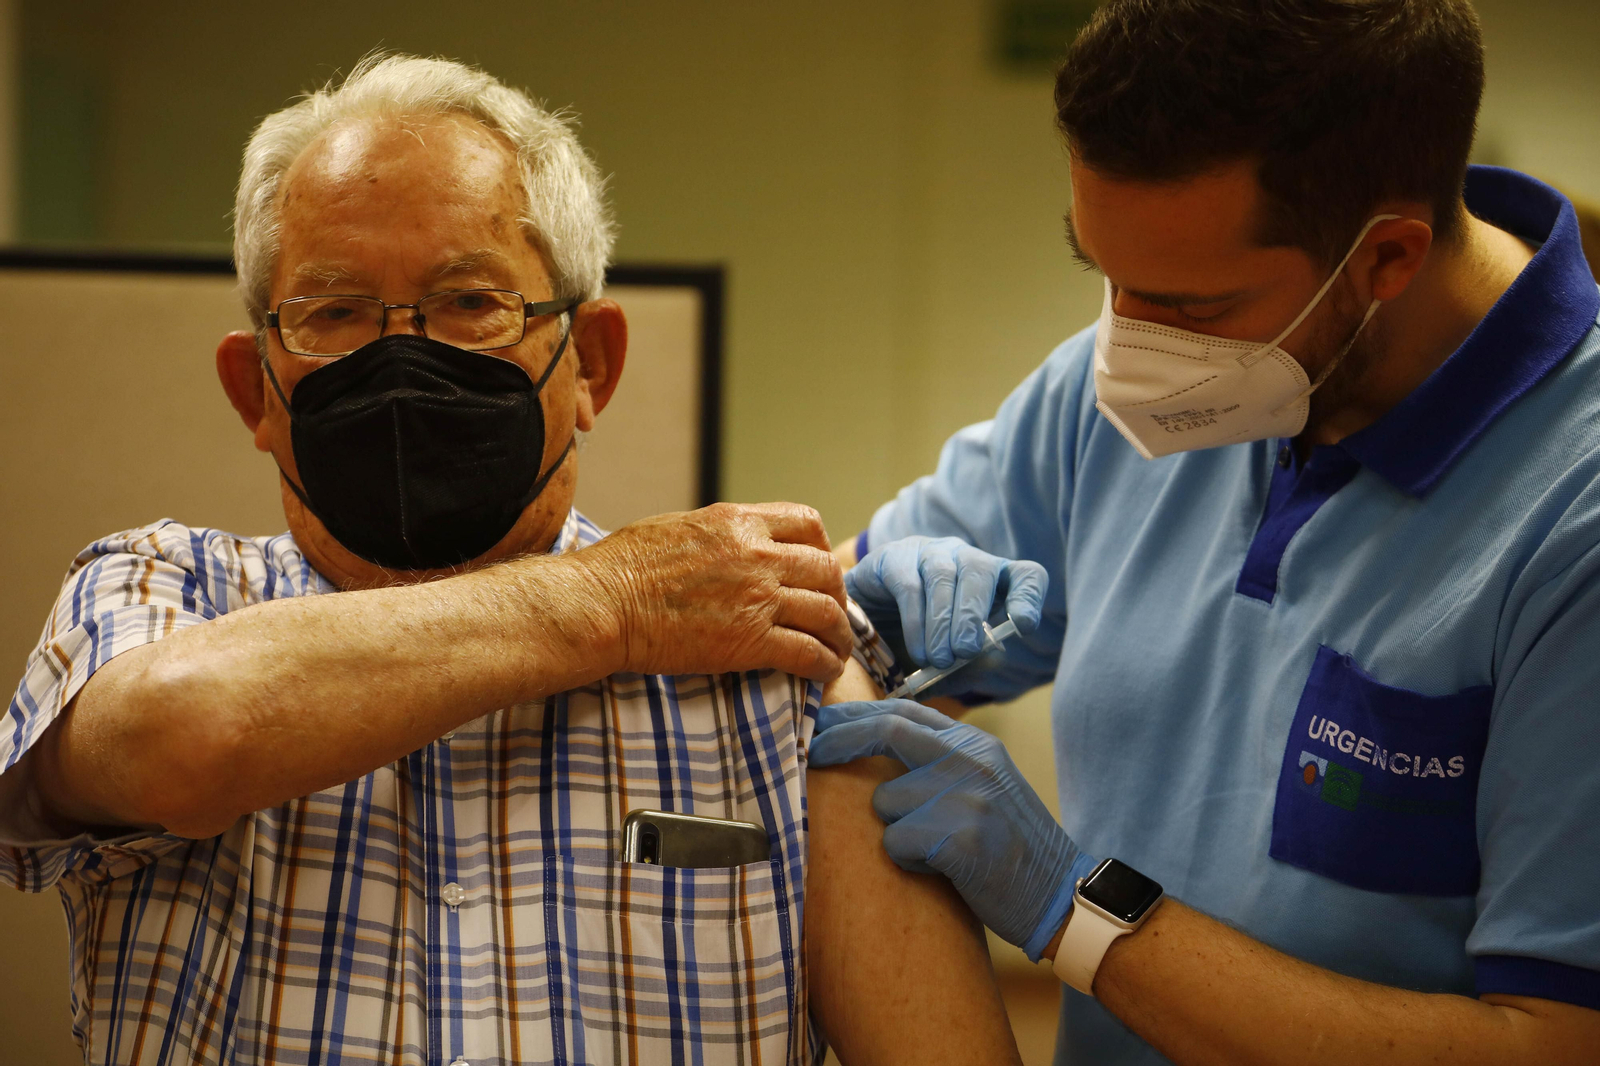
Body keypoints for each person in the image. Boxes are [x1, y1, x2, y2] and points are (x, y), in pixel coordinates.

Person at [0, 55, 1020, 1065]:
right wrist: (611, 600)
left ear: (594, 365)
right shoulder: (154, 594)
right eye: (334, 312)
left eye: (470, 302)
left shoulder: (768, 664)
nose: (400, 355)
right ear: (254, 389)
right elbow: (189, 736)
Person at [814, 2, 1600, 1063]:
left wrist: (1076, 906)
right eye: (1100, 270)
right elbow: (822, 652)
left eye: (1189, 304)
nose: (1127, 347)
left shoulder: (1570, 520)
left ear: (1387, 257)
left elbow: (1552, 1043)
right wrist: (866, 625)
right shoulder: (1105, 402)